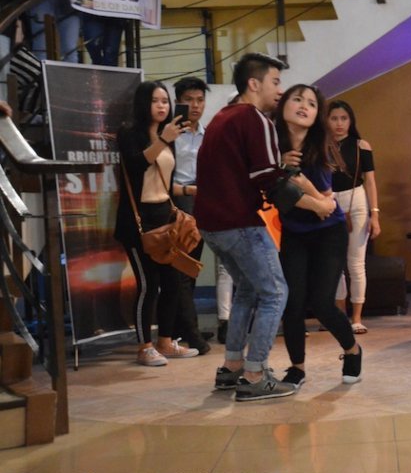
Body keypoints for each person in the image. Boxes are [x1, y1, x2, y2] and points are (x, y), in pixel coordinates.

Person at [195, 53, 335, 402]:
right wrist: (319, 205)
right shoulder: (254, 118)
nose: (280, 90)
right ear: (254, 84)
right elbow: (270, 182)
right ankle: (255, 375)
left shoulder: (222, 117)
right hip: (239, 222)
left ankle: (231, 367)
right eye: (275, 82)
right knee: (275, 293)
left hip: (212, 225)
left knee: (247, 290)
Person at [275, 84, 363, 388]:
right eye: (297, 99)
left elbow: (326, 205)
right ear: (283, 106)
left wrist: (298, 180)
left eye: (311, 103)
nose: (304, 106)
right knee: (293, 304)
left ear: (316, 116)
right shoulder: (271, 145)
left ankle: (352, 350)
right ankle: (297, 368)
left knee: (322, 303)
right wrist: (281, 167)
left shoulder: (320, 147)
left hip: (329, 232)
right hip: (293, 232)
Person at [114, 81, 199, 366]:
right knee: (148, 285)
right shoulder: (129, 132)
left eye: (165, 101)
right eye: (155, 101)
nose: (162, 106)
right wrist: (163, 140)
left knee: (173, 283)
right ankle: (145, 347)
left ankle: (166, 341)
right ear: (143, 103)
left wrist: (190, 190)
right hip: (138, 219)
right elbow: (136, 166)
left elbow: (164, 182)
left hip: (165, 215)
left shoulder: (168, 135)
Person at [328, 100, 380, 334]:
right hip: (328, 202)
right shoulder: (320, 147)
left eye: (344, 118)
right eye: (334, 118)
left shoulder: (361, 146)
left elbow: (370, 182)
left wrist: (375, 214)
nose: (339, 123)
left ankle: (357, 318)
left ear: (351, 121)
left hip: (356, 200)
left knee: (356, 262)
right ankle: (340, 316)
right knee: (334, 263)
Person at [169, 76, 211, 355]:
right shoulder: (171, 135)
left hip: (204, 201)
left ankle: (182, 327)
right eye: (189, 100)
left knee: (192, 267)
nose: (195, 105)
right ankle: (192, 334)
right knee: (181, 270)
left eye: (199, 100)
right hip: (179, 201)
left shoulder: (208, 134)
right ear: (178, 102)